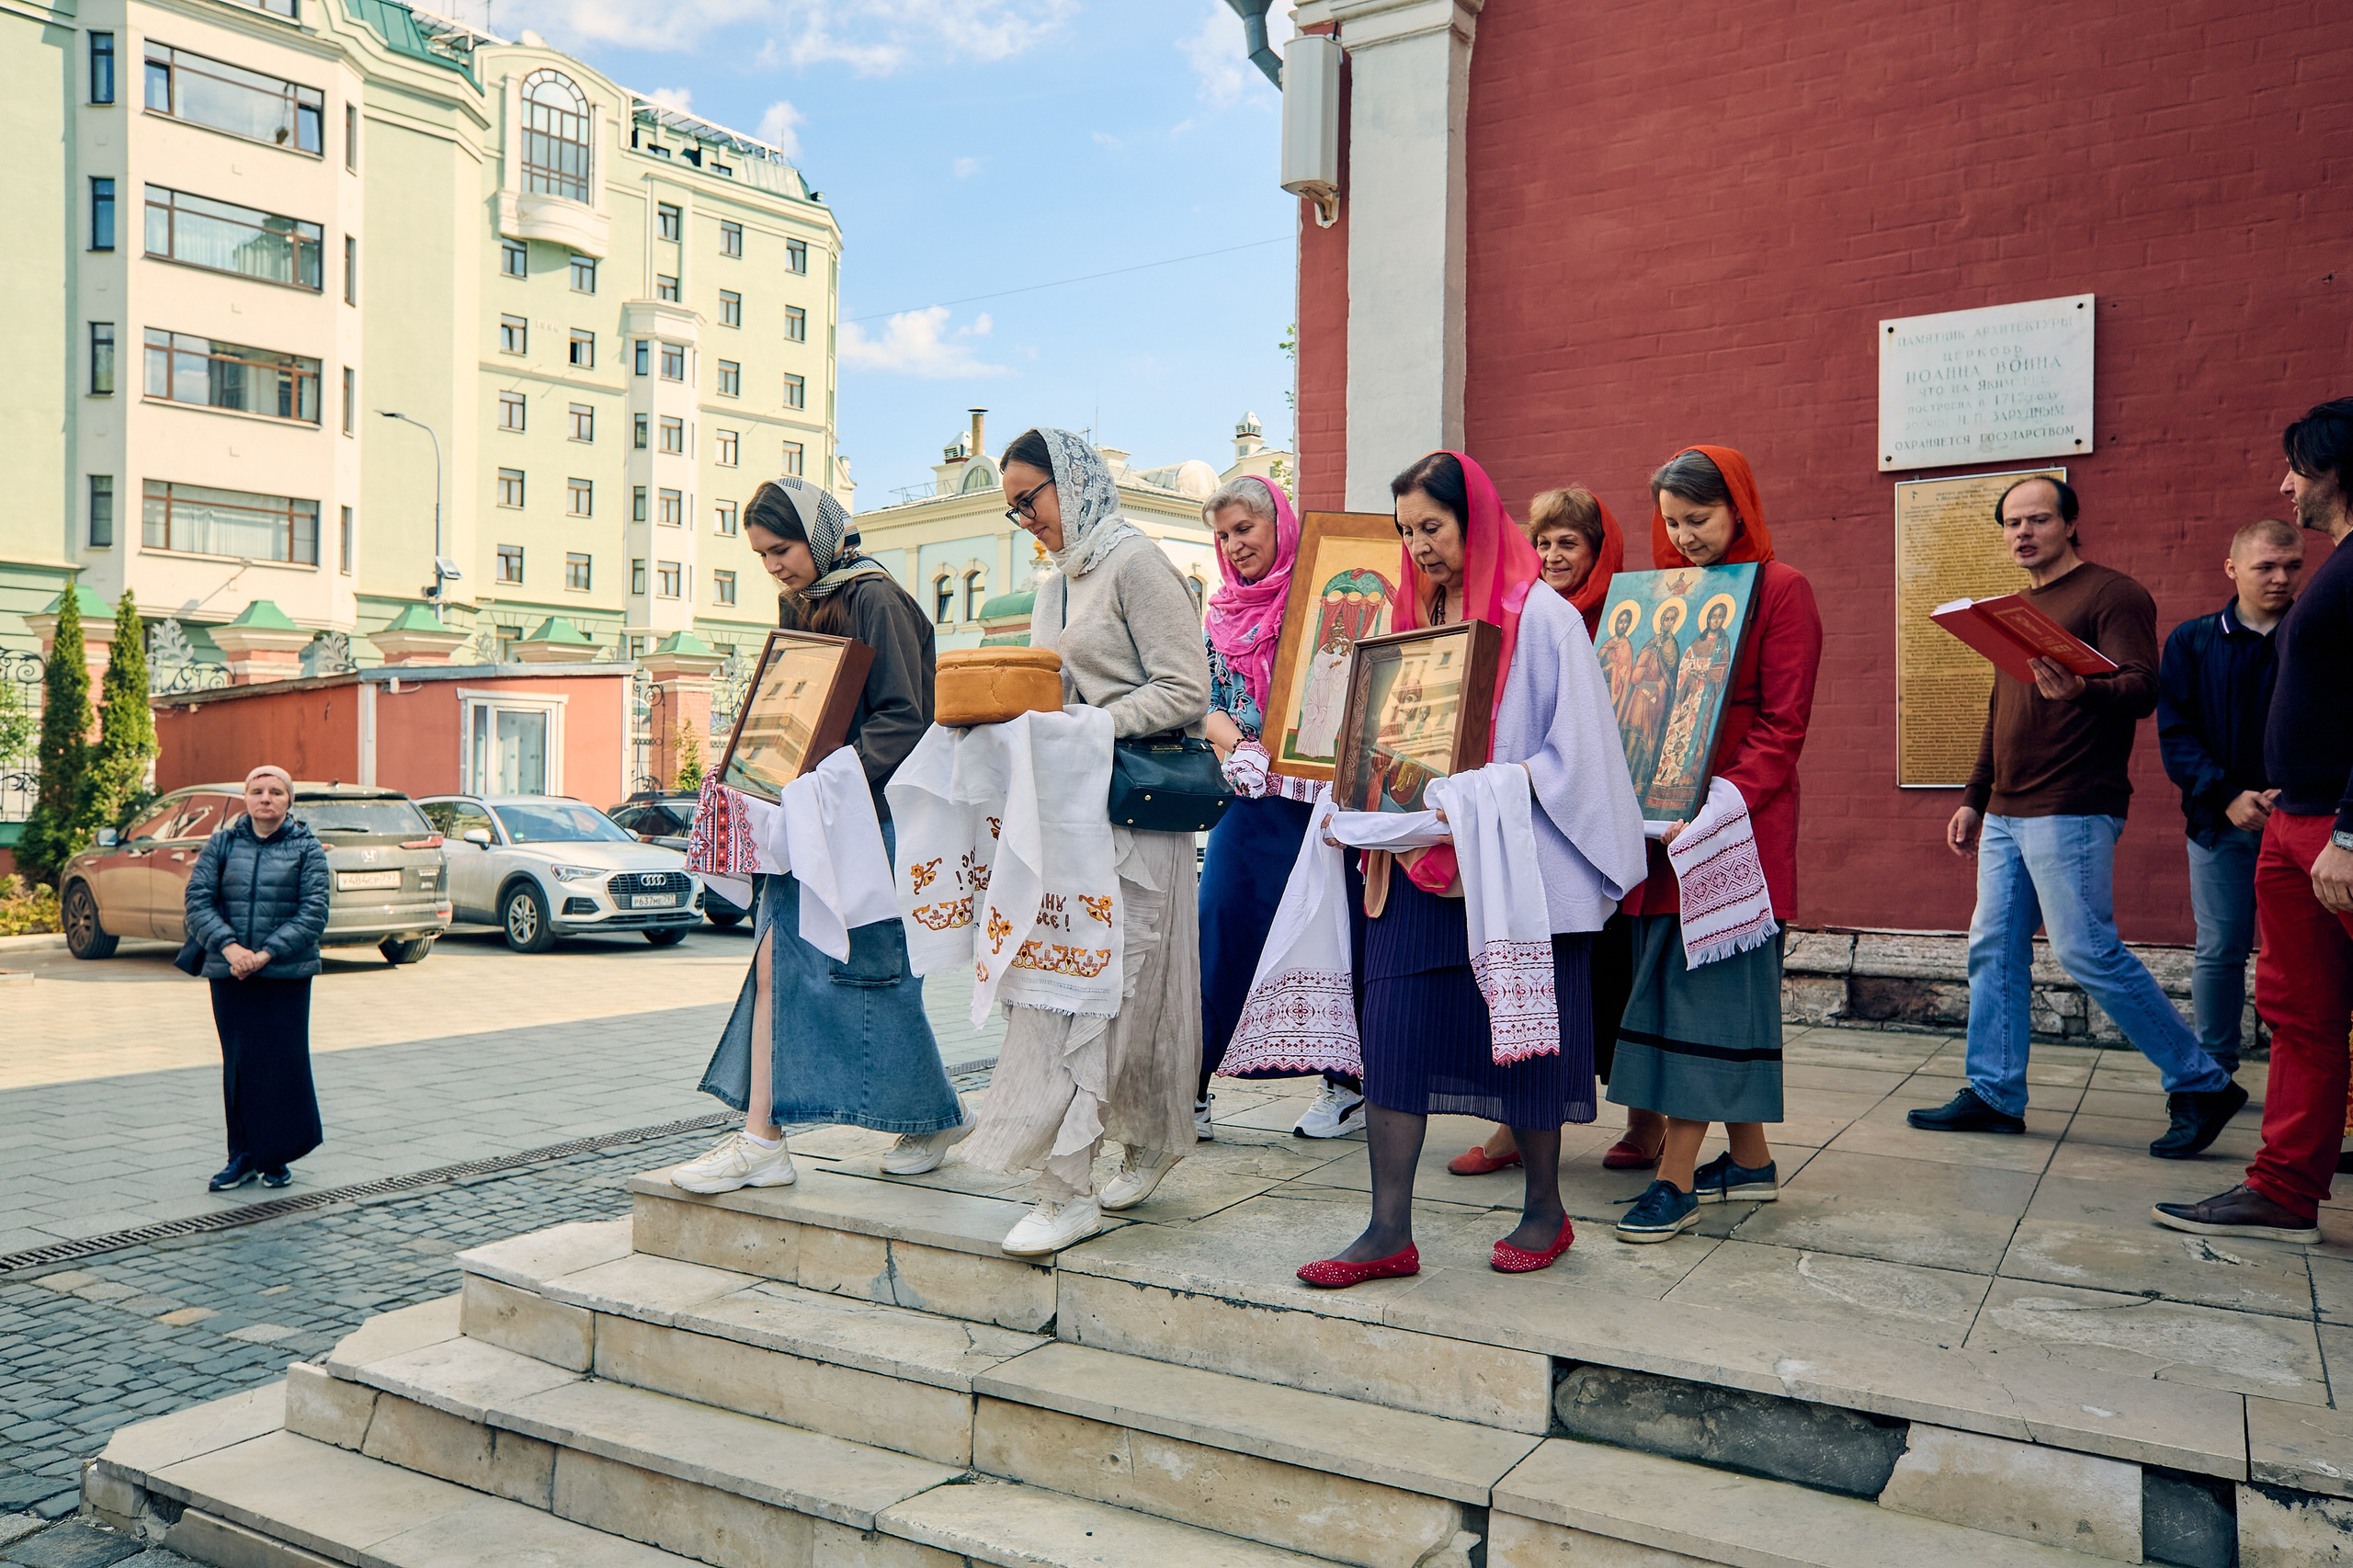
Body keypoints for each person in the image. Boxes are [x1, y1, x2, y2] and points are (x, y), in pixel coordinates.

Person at [1297, 451, 1644, 1286]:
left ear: (1477, 522)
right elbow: (1379, 736)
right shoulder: (1404, 623)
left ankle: (1546, 1211)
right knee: (1395, 1033)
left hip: (1514, 869)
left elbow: (1582, 758)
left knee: (1523, 1049)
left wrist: (1484, 794)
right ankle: (1387, 1231)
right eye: (1406, 531)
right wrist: (1355, 781)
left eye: (1434, 528)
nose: (1418, 546)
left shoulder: (1544, 618)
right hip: (1416, 863)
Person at [1913, 476, 2243, 1157]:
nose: (2023, 533)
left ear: (2070, 523)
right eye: (2011, 524)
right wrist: (1975, 794)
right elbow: (2001, 708)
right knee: (1993, 948)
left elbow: (2142, 687)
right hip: (2007, 807)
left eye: (2037, 520)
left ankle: (2201, 1080)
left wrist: (2082, 689)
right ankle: (1995, 1092)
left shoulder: (2110, 594)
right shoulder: (2014, 608)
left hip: (2071, 804)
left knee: (2085, 949)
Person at [673, 475, 966, 1195]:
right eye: (762, 555)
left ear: (820, 534)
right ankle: (765, 1137)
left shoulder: (876, 598)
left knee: (868, 971)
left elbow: (905, 716)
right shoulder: (802, 601)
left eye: (782, 549)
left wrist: (812, 790)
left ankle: (913, 1118)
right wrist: (751, 764)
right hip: (808, 819)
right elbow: (793, 712)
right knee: (784, 964)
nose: (773, 565)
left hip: (863, 822)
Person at [961, 427, 1212, 1256]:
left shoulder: (1136, 562)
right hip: (1071, 817)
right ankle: (1080, 1169)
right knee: (1064, 992)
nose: (1023, 517)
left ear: (1074, 483)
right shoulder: (1053, 584)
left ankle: (1089, 1175)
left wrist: (1089, 726)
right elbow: (1046, 686)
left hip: (1137, 815)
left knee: (1125, 995)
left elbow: (1185, 689)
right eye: (1011, 507)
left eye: (1030, 498)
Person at [1608, 447, 1822, 1243]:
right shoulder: (1667, 600)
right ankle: (1752, 1163)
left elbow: (1783, 724)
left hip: (1735, 833)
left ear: (1739, 508)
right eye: (1670, 522)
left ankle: (1676, 1179)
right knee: (1685, 992)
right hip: (1660, 830)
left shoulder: (1783, 591)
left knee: (1708, 996)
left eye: (1698, 519)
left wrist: (1723, 800)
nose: (1684, 535)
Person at [2158, 397, 2353, 1244]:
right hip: (2294, 823)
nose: (2287, 485)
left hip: (2337, 831)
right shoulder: (2340, 566)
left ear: (2337, 471)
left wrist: (2350, 830)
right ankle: (2283, 1192)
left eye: (2299, 469)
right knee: (2299, 1017)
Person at [1449, 484, 1664, 1178]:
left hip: (1626, 810)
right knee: (1541, 981)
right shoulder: (1521, 612)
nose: (1551, 555)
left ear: (1601, 551)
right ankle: (1519, 1123)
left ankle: (1645, 1120)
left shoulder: (1633, 621)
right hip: (1540, 816)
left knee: (1619, 980)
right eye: (1542, 543)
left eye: (1568, 542)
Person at [1195, 474, 1370, 1140]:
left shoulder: (1324, 596)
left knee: (1332, 933)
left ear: (1279, 525)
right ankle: (1195, 1087)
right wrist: (1235, 743)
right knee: (1223, 921)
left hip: (1324, 801)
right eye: (1224, 535)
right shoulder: (1219, 612)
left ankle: (1347, 1086)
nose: (1235, 545)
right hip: (1250, 795)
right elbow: (1203, 698)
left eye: (1246, 529)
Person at [2155, 518, 2303, 1074]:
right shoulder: (2193, 641)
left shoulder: (2314, 634)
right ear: (2233, 568)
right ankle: (2214, 1068)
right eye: (2265, 566)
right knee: (2220, 949)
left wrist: (2298, 794)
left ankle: (2305, 1072)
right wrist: (2227, 795)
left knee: (2304, 956)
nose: (2280, 578)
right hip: (2220, 823)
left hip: (2305, 818)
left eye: (2292, 566)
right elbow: (2176, 733)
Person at [184, 766, 330, 1192]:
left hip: (285, 972)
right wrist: (231, 949)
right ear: (245, 798)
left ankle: (276, 1156)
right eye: (257, 791)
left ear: (289, 801)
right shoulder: (222, 843)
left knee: (282, 1063)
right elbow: (197, 901)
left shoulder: (307, 849)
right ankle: (242, 1156)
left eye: (276, 792)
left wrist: (265, 954)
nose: (266, 799)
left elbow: (314, 912)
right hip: (230, 972)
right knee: (240, 1065)